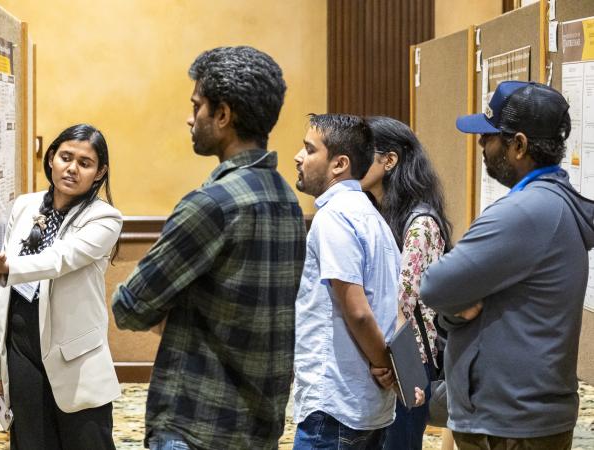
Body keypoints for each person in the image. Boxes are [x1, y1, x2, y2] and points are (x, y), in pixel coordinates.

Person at [111, 46, 307, 450]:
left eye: (197, 105)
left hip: (196, 426)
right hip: (260, 425)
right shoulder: (286, 197)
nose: (190, 117)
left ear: (223, 115)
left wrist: (176, 304)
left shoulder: (212, 204)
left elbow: (129, 306)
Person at [421, 81, 594, 449]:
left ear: (518, 145)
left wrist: (451, 311)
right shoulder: (551, 203)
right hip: (521, 417)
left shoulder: (523, 212)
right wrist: (455, 313)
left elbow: (434, 286)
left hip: (508, 425)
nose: (482, 145)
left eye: (490, 137)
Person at [0, 124, 122, 450]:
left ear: (99, 173)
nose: (72, 168)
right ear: (52, 158)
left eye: (85, 163)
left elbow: (60, 259)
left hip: (76, 359)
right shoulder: (25, 206)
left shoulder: (105, 218)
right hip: (22, 351)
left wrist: (6, 267)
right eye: (65, 157)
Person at [291, 113, 421, 450]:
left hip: (336, 403)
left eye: (309, 149)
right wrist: (390, 367)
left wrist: (384, 364)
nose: (298, 157)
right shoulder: (373, 218)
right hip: (367, 403)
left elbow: (359, 311)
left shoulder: (334, 217)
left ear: (339, 164)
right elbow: (395, 308)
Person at [361, 116, 452, 450]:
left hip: (409, 361)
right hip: (383, 356)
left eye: (362, 153)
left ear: (389, 160)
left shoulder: (421, 223)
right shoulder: (378, 214)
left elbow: (397, 302)